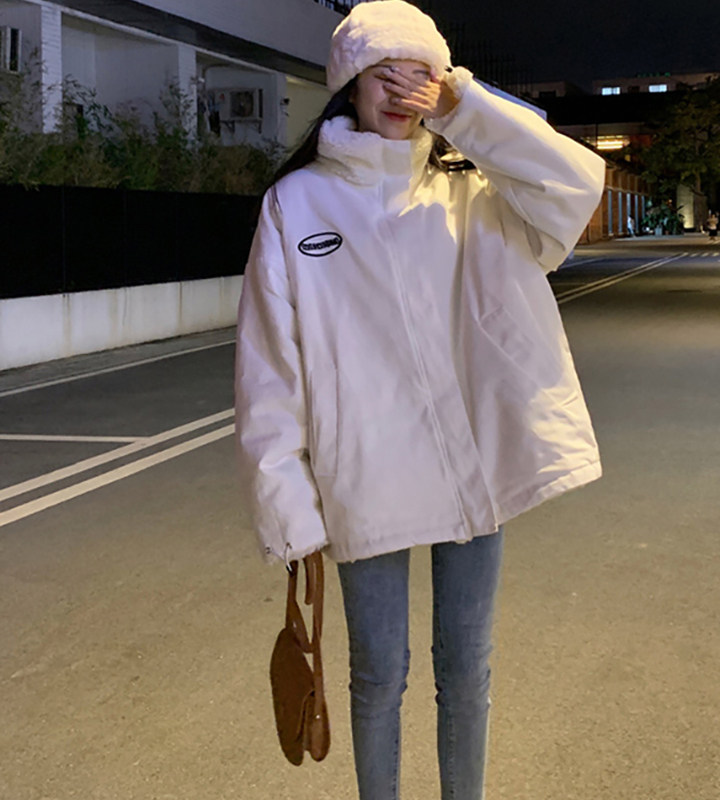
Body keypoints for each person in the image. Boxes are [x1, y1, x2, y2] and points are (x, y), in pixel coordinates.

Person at [235, 2, 605, 798]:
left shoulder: (473, 190)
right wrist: (289, 507)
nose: (403, 93)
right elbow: (269, 369)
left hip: (473, 461)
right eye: (384, 75)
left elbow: (576, 186)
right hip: (364, 470)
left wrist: (466, 108)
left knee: (466, 670)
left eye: (420, 77)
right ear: (350, 86)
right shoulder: (298, 205)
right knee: (377, 674)